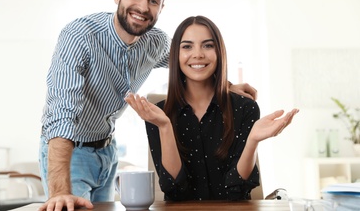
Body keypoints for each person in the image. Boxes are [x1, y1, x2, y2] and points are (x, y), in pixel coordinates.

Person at [38, 0, 257, 211]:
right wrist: (60, 192)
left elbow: (191, 59)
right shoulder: (80, 37)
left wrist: (226, 86)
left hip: (107, 151)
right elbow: (61, 114)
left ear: (161, 7)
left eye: (153, 0)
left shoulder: (155, 43)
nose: (143, 7)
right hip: (70, 151)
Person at [125, 15, 299, 201]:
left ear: (219, 53)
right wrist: (165, 126)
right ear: (176, 55)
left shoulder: (244, 108)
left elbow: (238, 191)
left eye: (207, 45)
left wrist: (253, 141)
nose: (198, 54)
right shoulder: (159, 114)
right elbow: (174, 190)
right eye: (187, 46)